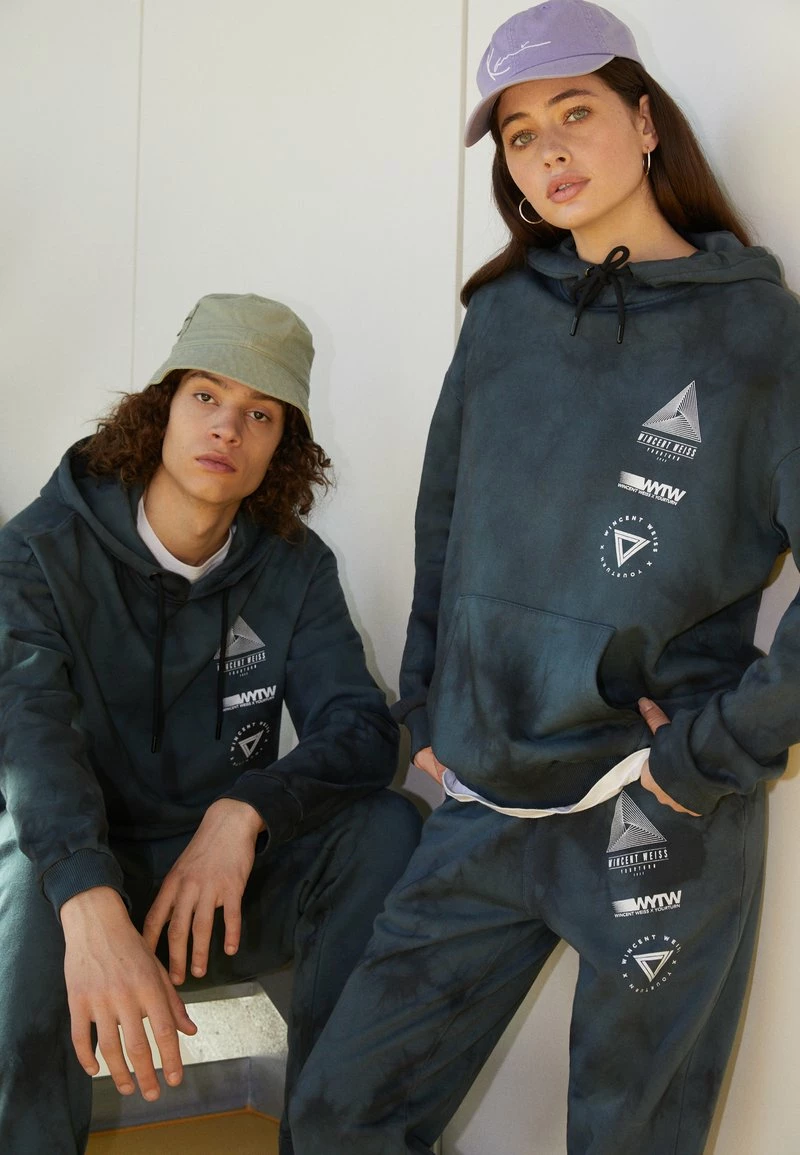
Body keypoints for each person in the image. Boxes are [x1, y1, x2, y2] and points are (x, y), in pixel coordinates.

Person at [289, 2, 800, 1152]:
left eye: (575, 114)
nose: (549, 152)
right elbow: (445, 523)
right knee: (336, 1120)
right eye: (520, 135)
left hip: (656, 816)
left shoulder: (758, 334)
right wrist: (427, 705)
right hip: (479, 803)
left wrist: (708, 755)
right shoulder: (501, 319)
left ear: (645, 121)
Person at [0, 292, 421, 1155]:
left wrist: (246, 810)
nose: (228, 427)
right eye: (206, 396)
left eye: (260, 413)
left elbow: (360, 727)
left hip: (212, 891)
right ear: (160, 409)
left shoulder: (295, 567)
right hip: (83, 877)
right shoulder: (39, 550)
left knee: (386, 828)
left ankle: (336, 1142)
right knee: (24, 862)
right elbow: (27, 739)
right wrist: (89, 899)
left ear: (282, 445)